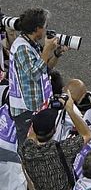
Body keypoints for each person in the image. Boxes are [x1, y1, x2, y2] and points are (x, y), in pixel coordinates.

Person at [8, 9, 67, 144]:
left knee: (38, 145)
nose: (46, 30)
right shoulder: (22, 47)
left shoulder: (31, 43)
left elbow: (44, 69)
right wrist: (47, 49)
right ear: (37, 29)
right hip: (25, 109)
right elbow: (34, 74)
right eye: (45, 26)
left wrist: (56, 53)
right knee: (27, 147)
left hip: (37, 105)